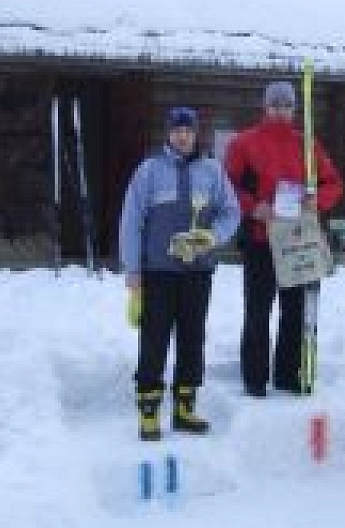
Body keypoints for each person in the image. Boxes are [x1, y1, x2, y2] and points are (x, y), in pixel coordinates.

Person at [119, 106, 241, 440]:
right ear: (168, 133)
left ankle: (186, 408)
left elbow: (231, 212)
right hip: (158, 271)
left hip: (197, 271)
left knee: (192, 338)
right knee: (154, 340)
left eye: (187, 130)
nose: (182, 135)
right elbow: (131, 220)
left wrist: (213, 236)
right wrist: (132, 269)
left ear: (196, 132)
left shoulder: (213, 171)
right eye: (176, 130)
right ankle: (149, 412)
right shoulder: (149, 171)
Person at [224, 81, 343, 397]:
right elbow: (228, 187)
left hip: (297, 241)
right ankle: (254, 378)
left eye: (287, 106)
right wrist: (253, 207)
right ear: (265, 107)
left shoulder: (307, 145)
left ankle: (288, 374)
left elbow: (332, 183)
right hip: (261, 239)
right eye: (275, 105)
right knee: (258, 309)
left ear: (294, 109)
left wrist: (314, 201)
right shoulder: (243, 143)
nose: (280, 111)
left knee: (295, 310)